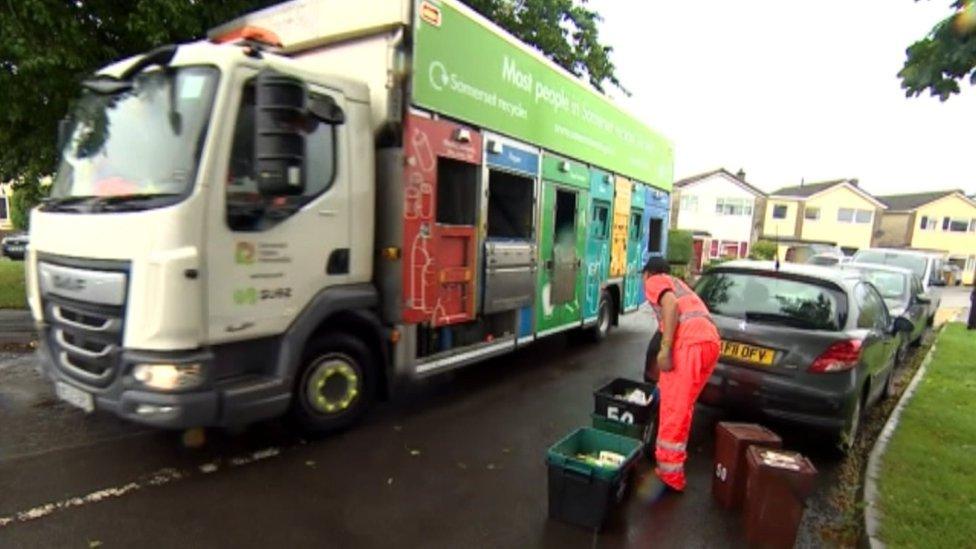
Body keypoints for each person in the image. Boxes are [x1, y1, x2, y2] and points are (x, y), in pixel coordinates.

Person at [641, 257, 720, 494]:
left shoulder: (655, 281)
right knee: (680, 405)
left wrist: (665, 349)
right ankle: (671, 467)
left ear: (648, 273)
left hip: (690, 345)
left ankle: (670, 475)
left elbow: (671, 307)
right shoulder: (679, 283)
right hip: (709, 342)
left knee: (674, 409)